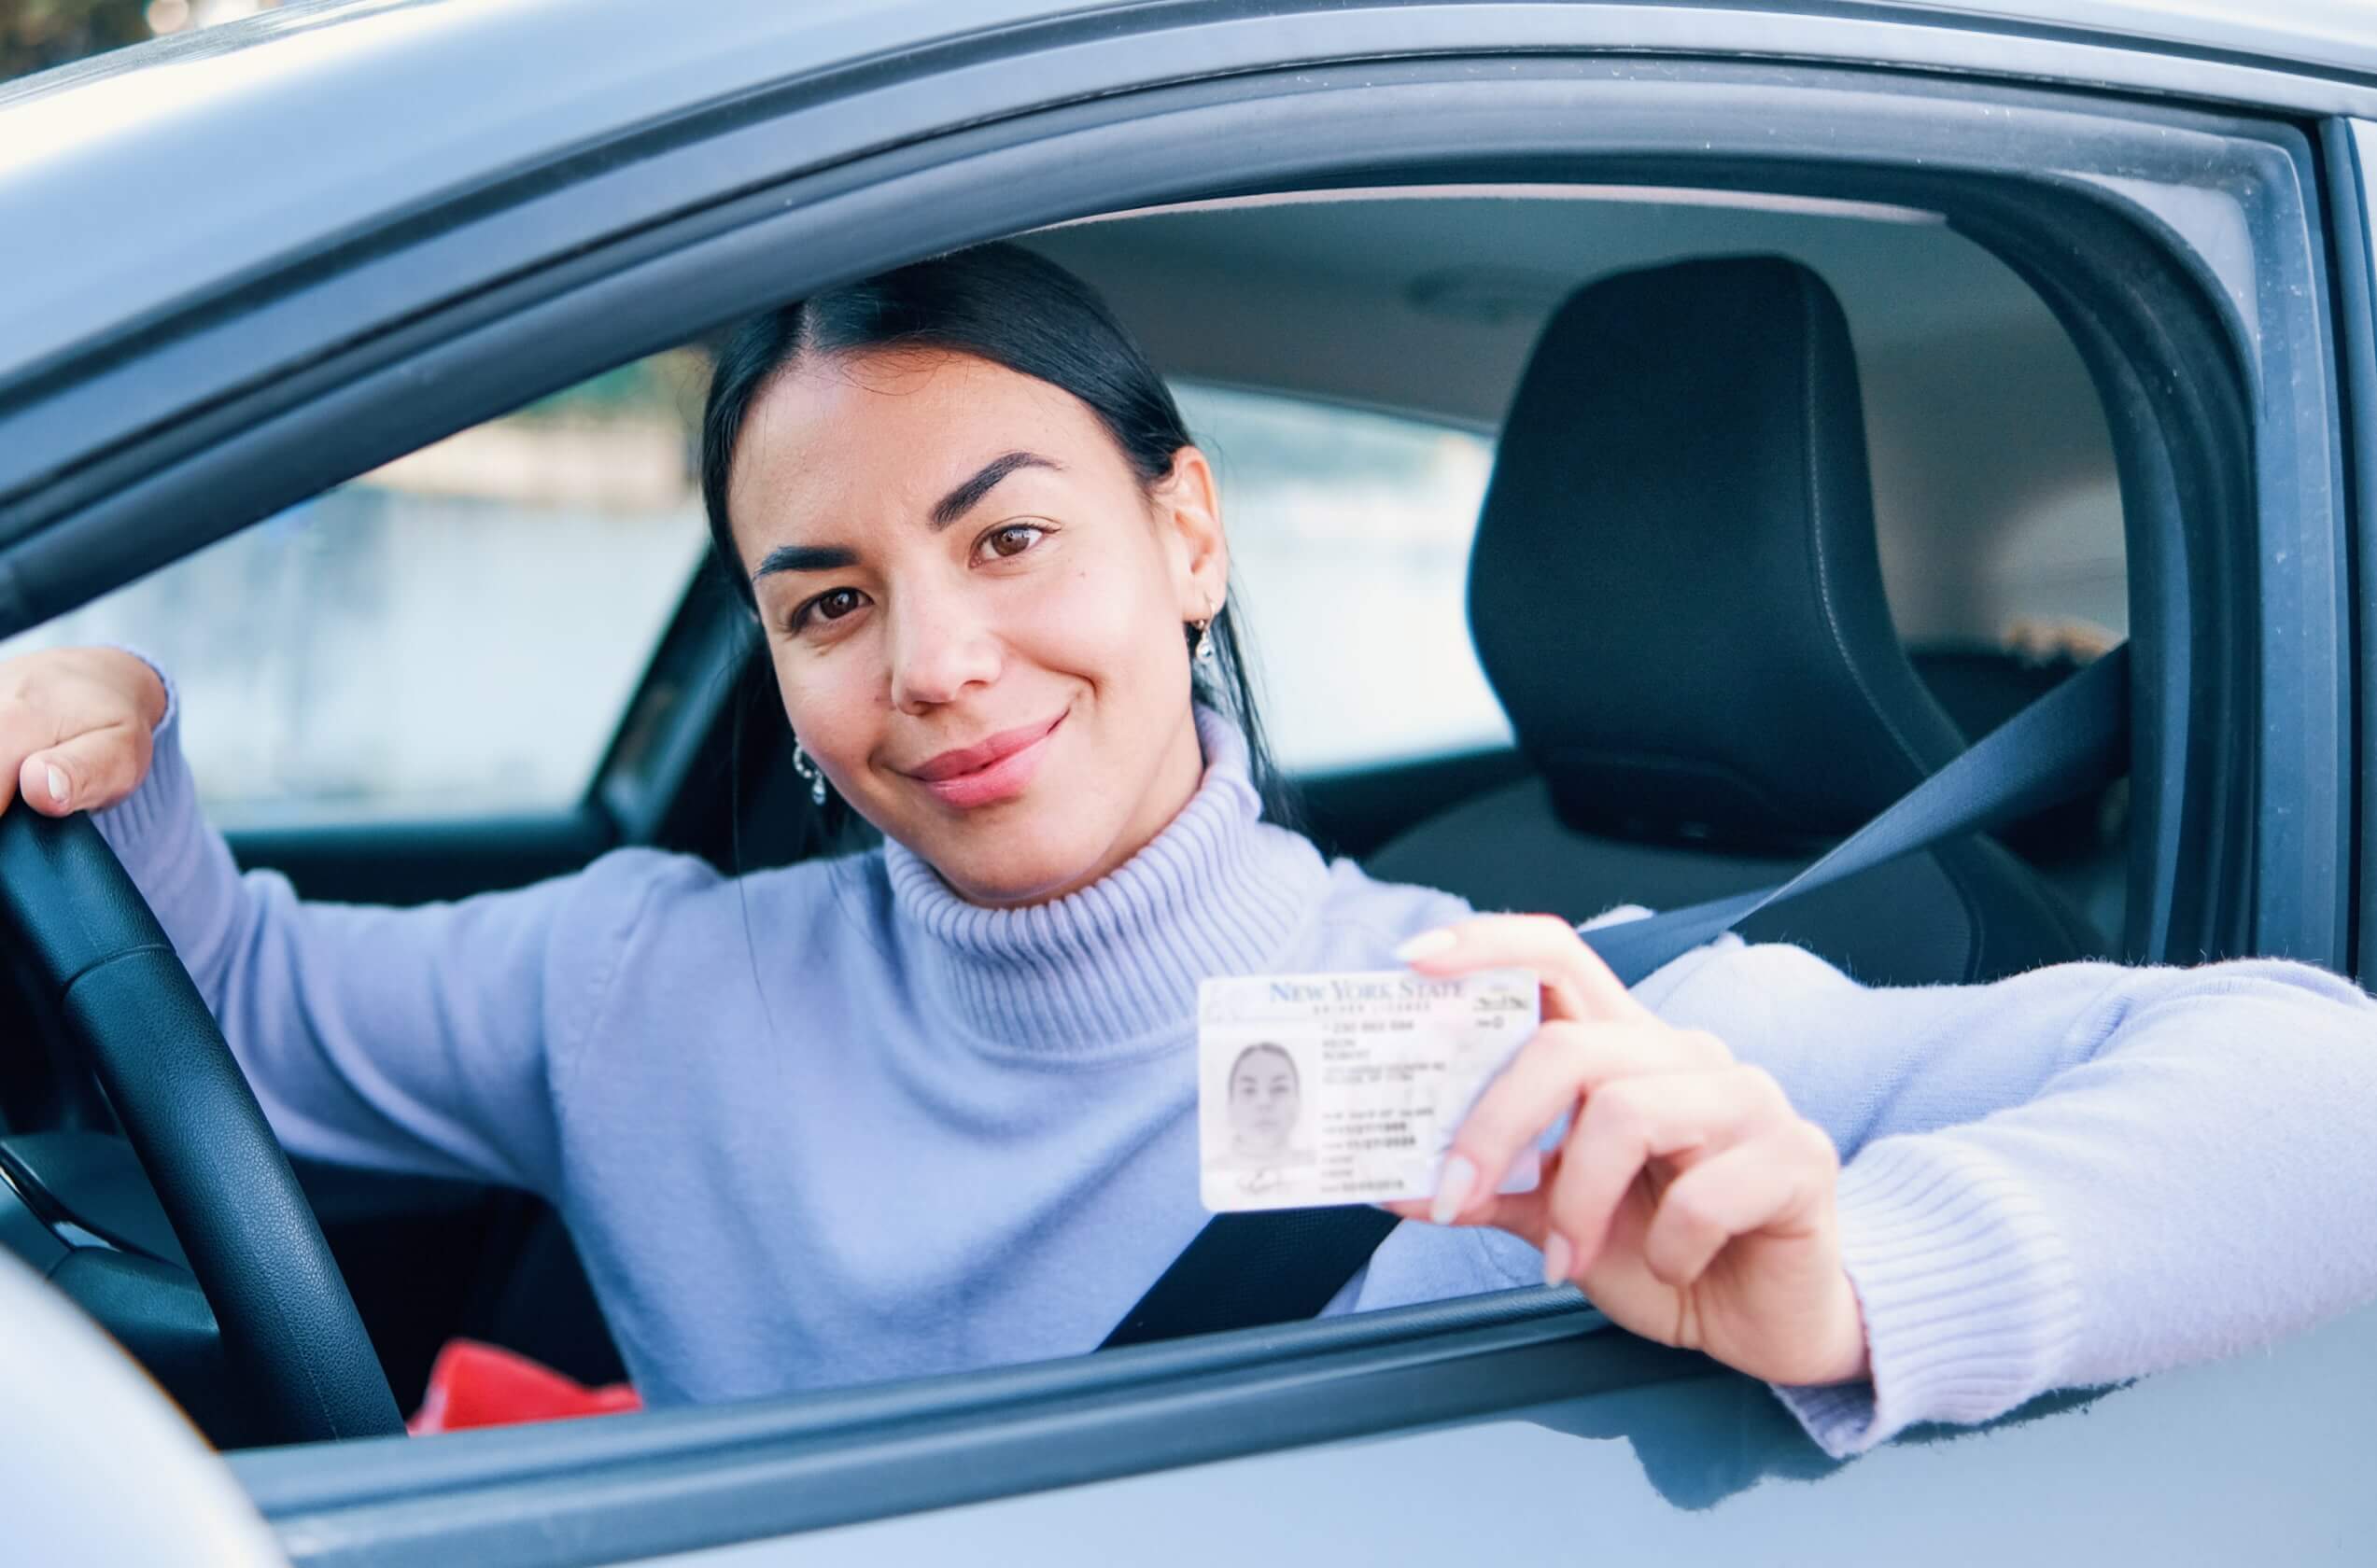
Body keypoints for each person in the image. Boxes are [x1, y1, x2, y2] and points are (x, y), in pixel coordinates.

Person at [4, 243, 2374, 1461]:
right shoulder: (642, 989)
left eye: (1007, 536)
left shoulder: (1517, 1036)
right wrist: (118, 750)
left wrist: (1861, 1279)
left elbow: (2322, 1095)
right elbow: (234, 1021)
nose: (936, 662)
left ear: (1189, 536)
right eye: (825, 603)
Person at [1216, 1042, 1313, 1193]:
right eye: (1249, 1090)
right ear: (1230, 1107)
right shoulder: (1212, 1176)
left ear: (1298, 1102)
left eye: (1279, 1088)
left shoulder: (1317, 1170)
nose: (1264, 1102)